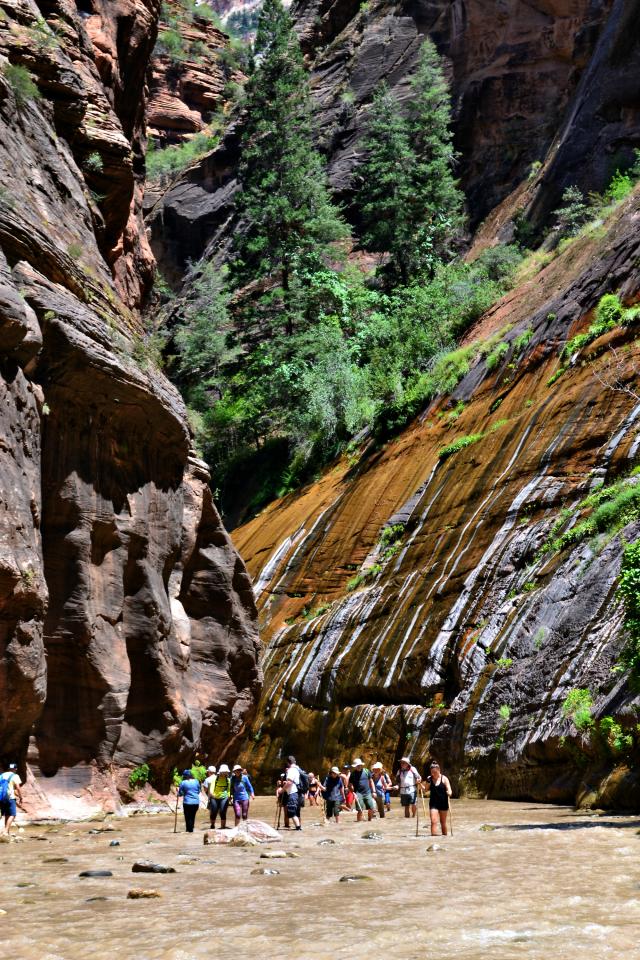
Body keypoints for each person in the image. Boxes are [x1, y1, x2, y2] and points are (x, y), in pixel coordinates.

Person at [425, 761, 452, 835]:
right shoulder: (429, 779)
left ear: (439, 770)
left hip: (443, 803)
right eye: (432, 772)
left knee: (443, 822)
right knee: (433, 821)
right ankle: (433, 839)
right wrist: (424, 783)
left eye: (435, 772)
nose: (433, 774)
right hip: (433, 803)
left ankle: (444, 838)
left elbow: (449, 789)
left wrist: (449, 792)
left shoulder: (444, 778)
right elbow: (426, 789)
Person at [0, 762, 23, 838]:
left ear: (9, 768)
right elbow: (18, 787)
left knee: (7, 814)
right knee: (12, 814)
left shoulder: (2, 775)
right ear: (15, 769)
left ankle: (7, 831)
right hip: (9, 797)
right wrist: (20, 797)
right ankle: (5, 832)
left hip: (1, 797)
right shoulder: (15, 776)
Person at [178, 768, 202, 833]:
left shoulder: (183, 782)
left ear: (185, 776)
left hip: (187, 802)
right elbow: (199, 791)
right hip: (196, 802)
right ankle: (191, 829)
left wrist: (181, 793)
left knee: (187, 817)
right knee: (192, 816)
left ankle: (189, 830)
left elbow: (180, 793)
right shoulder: (196, 781)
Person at [207, 763, 231, 829]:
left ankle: (222, 827)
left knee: (223, 811)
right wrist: (212, 794)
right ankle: (212, 825)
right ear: (220, 772)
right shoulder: (215, 779)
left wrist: (229, 796)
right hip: (214, 797)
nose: (225, 773)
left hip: (224, 797)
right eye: (223, 772)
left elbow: (228, 790)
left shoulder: (228, 780)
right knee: (214, 811)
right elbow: (211, 788)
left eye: (226, 772)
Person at [283, 755, 302, 831]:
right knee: (296, 811)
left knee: (291, 811)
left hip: (292, 792)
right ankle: (298, 827)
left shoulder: (291, 770)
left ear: (288, 763)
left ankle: (298, 828)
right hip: (298, 793)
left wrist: (282, 789)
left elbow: (289, 782)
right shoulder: (298, 769)